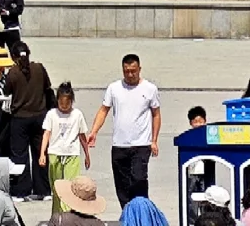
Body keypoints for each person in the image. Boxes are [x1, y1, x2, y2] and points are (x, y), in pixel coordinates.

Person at [87, 53, 161, 209]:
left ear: (139, 69)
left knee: (138, 180)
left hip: (141, 144)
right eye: (126, 71)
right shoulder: (114, 88)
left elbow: (156, 114)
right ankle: (127, 215)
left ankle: (142, 215)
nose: (130, 74)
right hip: (119, 145)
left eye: (133, 71)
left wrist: (154, 140)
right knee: (122, 186)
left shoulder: (149, 89)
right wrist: (94, 131)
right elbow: (103, 110)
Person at [4, 40, 53, 201]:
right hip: (40, 116)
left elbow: (7, 91)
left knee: (19, 155)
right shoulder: (39, 68)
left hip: (20, 118)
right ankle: (43, 190)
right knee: (40, 153)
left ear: (13, 56)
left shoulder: (13, 73)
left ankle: (20, 191)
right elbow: (48, 88)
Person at [40, 80, 90, 215]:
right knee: (56, 188)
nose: (64, 106)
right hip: (55, 153)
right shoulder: (52, 114)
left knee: (70, 187)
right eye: (61, 103)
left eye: (67, 103)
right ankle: (57, 215)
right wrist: (42, 154)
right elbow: (46, 134)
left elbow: (82, 136)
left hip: (72, 154)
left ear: (72, 101)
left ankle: (69, 215)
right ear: (57, 101)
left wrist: (87, 155)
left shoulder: (77, 114)